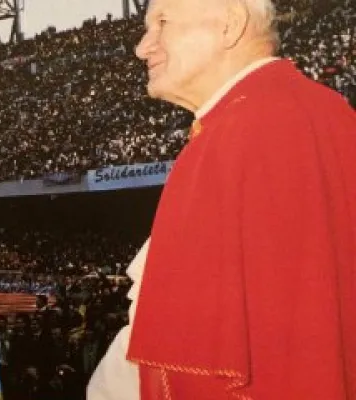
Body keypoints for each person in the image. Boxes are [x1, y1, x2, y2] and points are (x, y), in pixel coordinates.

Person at [88, 0, 356, 399]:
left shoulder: (240, 131)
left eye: (161, 23)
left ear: (230, 25)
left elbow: (197, 354)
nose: (143, 47)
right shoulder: (316, 112)